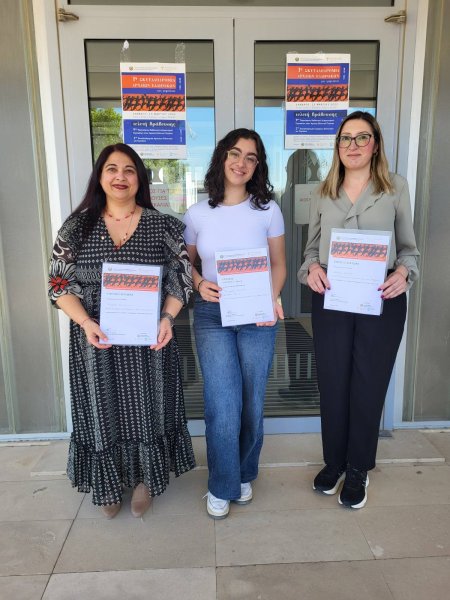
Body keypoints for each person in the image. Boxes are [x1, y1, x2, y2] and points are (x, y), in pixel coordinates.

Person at [48, 143, 195, 519]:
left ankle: (145, 480)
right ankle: (109, 484)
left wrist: (168, 318)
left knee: (147, 409)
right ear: (100, 176)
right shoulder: (77, 226)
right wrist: (86, 322)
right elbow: (58, 285)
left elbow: (181, 280)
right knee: (103, 410)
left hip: (149, 340)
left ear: (139, 179)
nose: (120, 177)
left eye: (129, 170)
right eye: (112, 169)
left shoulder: (162, 226)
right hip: (95, 338)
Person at [298, 111, 419, 509]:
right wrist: (312, 269)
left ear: (375, 144)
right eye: (345, 138)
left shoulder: (395, 188)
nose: (353, 145)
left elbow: (409, 250)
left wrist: (404, 273)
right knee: (333, 382)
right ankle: (334, 462)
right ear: (337, 147)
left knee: (369, 383)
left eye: (361, 137)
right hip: (333, 297)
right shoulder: (323, 192)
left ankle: (358, 468)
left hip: (381, 297)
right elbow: (310, 251)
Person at [183, 128, 286, 519]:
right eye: (235, 153)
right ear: (222, 157)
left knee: (252, 401)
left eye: (251, 157)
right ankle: (222, 483)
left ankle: (243, 472)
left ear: (258, 166)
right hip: (213, 315)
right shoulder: (197, 213)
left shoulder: (268, 210)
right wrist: (199, 283)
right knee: (222, 402)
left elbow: (279, 264)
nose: (241, 163)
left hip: (257, 314)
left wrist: (270, 299)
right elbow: (186, 264)